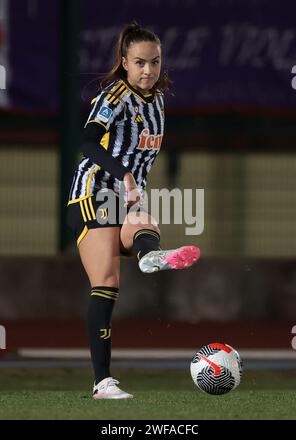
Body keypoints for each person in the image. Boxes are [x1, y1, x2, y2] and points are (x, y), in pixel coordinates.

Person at [66, 21, 200, 400]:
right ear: (124, 61)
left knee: (144, 223)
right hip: (92, 194)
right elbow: (88, 143)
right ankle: (103, 382)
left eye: (155, 62)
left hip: (126, 200)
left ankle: (149, 256)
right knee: (106, 282)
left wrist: (132, 185)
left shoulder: (156, 102)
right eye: (139, 62)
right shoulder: (115, 97)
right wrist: (123, 174)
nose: (148, 70)